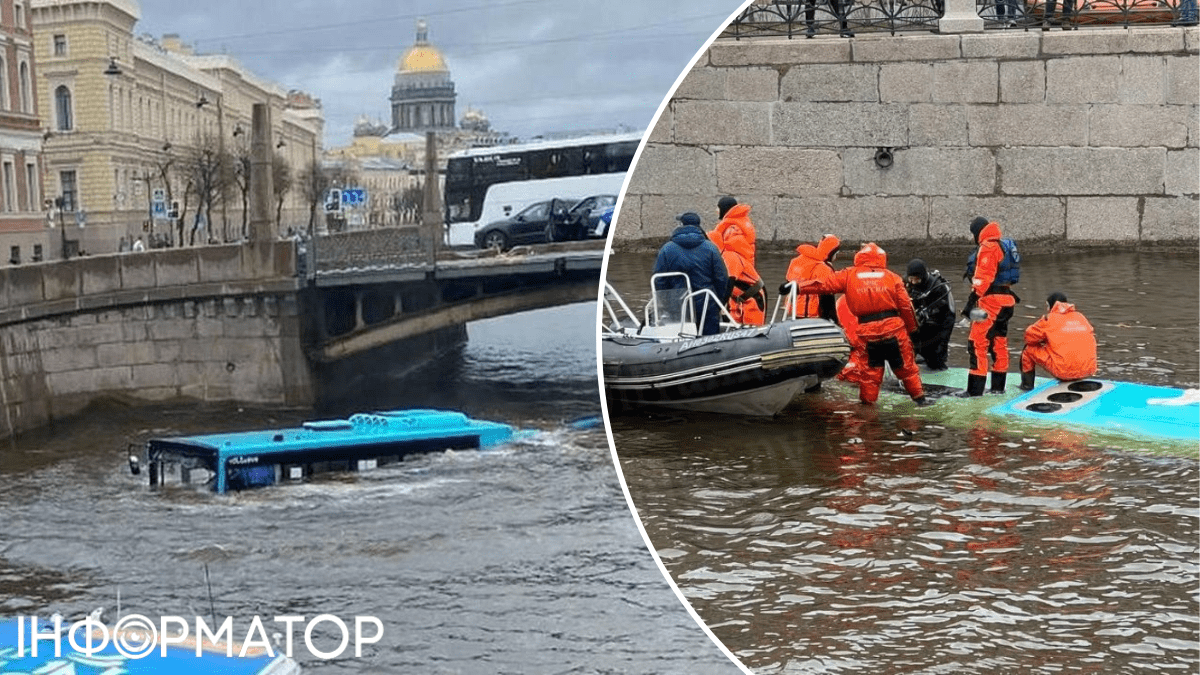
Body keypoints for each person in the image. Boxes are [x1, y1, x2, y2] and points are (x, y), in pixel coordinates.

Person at [796, 242, 930, 407]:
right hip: (893, 329)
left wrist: (798, 287)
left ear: (860, 257)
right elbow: (906, 307)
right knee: (907, 369)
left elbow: (824, 284)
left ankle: (868, 411)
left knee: (869, 375)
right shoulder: (892, 277)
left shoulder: (849, 275)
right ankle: (920, 400)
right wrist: (913, 330)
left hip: (867, 332)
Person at [961, 216, 1018, 396]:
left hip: (990, 303)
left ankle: (974, 391)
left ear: (977, 232)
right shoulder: (1003, 245)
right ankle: (997, 388)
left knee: (977, 343)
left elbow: (983, 279)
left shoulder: (988, 247)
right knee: (998, 343)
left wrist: (971, 302)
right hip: (1007, 301)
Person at [653, 212, 728, 336]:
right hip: (706, 303)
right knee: (710, 340)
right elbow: (721, 278)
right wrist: (717, 302)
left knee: (679, 338)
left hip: (677, 305)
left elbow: (659, 281)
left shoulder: (667, 249)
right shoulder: (711, 248)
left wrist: (667, 303)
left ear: (681, 225)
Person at [1018, 292, 1097, 390]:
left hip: (1063, 370)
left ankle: (1026, 386)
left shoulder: (1049, 319)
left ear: (1051, 305)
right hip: (1088, 369)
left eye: (1047, 306)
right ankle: (1075, 376)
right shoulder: (1080, 316)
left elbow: (1028, 338)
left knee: (1028, 350)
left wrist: (1045, 340)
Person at [708, 197, 765, 326]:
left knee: (753, 334)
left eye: (718, 208)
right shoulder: (736, 228)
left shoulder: (731, 254)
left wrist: (720, 304)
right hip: (738, 294)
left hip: (751, 297)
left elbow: (729, 280)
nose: (716, 211)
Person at [904, 258, 955, 371]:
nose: (913, 282)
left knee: (936, 364)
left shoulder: (939, 288)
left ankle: (934, 359)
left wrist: (943, 343)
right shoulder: (907, 284)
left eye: (916, 279)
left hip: (934, 332)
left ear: (922, 276)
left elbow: (949, 319)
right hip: (915, 330)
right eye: (910, 279)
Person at [782, 234, 840, 321]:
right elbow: (827, 301)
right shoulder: (824, 268)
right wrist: (834, 321)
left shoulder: (796, 261)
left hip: (794, 313)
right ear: (831, 253)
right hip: (813, 316)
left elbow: (788, 284)